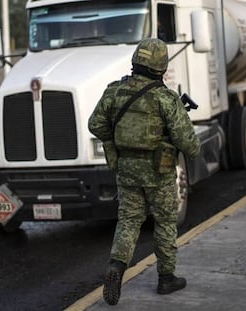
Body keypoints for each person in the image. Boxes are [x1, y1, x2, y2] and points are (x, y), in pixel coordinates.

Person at [88, 38, 200, 305]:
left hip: (126, 171)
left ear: (136, 61)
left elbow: (96, 125)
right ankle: (166, 278)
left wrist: (116, 138)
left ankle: (116, 267)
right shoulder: (166, 98)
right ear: (161, 67)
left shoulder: (115, 91)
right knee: (164, 222)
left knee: (129, 220)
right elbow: (190, 145)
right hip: (158, 173)